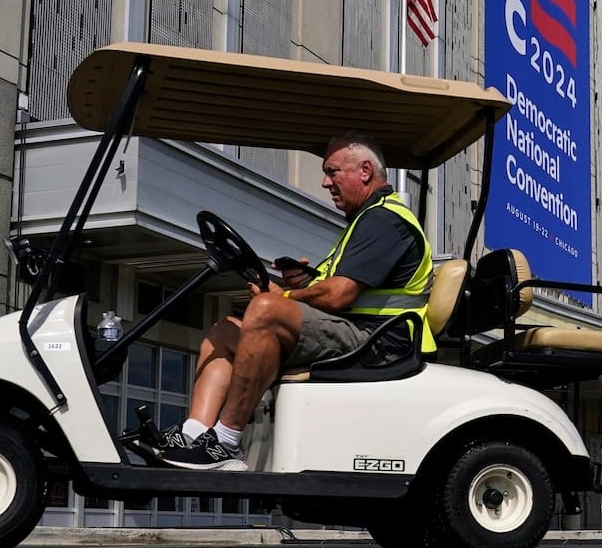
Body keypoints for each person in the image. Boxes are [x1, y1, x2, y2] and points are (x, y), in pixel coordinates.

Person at [156, 132, 434, 471]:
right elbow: (333, 288)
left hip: (378, 343)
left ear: (364, 171)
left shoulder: (386, 220)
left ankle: (226, 442)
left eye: (332, 172)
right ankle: (194, 434)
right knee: (225, 331)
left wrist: (282, 296)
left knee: (266, 310)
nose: (324, 182)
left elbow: (339, 294)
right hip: (356, 332)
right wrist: (303, 283)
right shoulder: (366, 221)